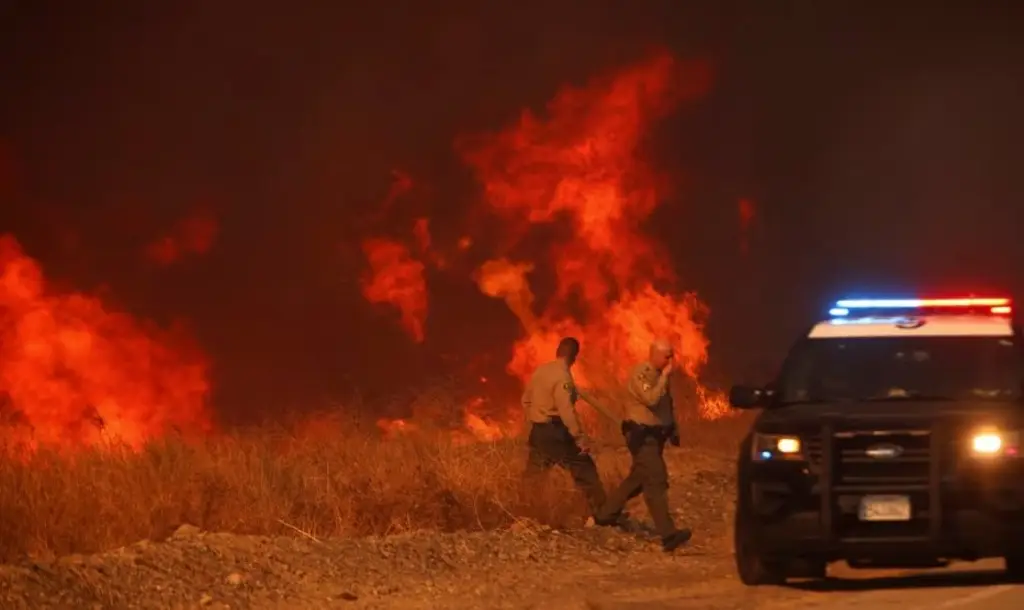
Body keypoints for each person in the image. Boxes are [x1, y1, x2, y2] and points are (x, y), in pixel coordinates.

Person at [594, 338, 692, 551]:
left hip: (656, 437)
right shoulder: (642, 374)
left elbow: (666, 406)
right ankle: (668, 535)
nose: (670, 360)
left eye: (671, 356)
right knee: (656, 478)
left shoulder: (660, 377)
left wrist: (673, 429)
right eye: (666, 356)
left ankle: (604, 514)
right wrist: (664, 377)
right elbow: (651, 399)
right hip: (641, 435)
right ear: (654, 354)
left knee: (638, 478)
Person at [521, 337, 607, 517]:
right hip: (557, 432)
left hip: (538, 432)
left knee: (534, 476)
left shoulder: (541, 371)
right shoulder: (563, 377)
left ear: (557, 352)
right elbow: (566, 411)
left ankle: (525, 512)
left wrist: (537, 418)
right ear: (574, 357)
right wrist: (579, 437)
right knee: (585, 469)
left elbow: (526, 400)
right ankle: (604, 513)